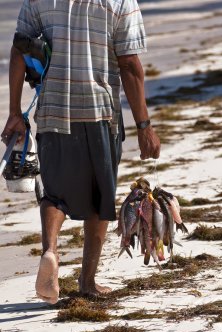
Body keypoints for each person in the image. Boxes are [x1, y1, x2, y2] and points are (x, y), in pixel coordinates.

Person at [1, 0, 160, 303]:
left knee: (54, 194)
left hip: (52, 111)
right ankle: (87, 281)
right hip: (99, 113)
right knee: (99, 197)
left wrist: (14, 112)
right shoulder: (119, 3)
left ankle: (50, 250)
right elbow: (129, 65)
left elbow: (19, 51)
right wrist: (144, 126)